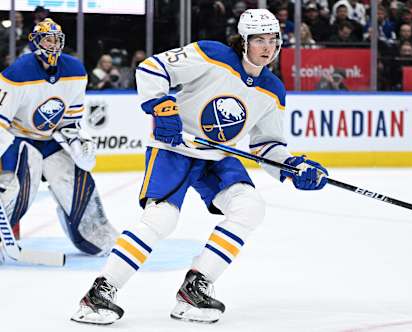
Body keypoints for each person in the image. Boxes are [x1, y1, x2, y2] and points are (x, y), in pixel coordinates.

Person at [71, 9, 328, 325]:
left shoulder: (272, 88)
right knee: (161, 219)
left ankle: (195, 287)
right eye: (259, 39)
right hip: (175, 148)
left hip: (218, 157)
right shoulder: (212, 54)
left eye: (273, 40)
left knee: (250, 208)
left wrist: (291, 167)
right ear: (243, 41)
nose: (268, 47)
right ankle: (100, 292)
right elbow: (151, 69)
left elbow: (266, 146)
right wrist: (163, 109)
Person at [0, 19, 118, 263]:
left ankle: (97, 237)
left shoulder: (75, 70)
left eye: (57, 39)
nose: (53, 44)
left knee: (78, 183)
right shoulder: (17, 73)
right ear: (35, 41)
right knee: (15, 189)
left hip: (51, 139)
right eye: (47, 39)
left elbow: (70, 121)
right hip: (20, 138)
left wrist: (78, 144)